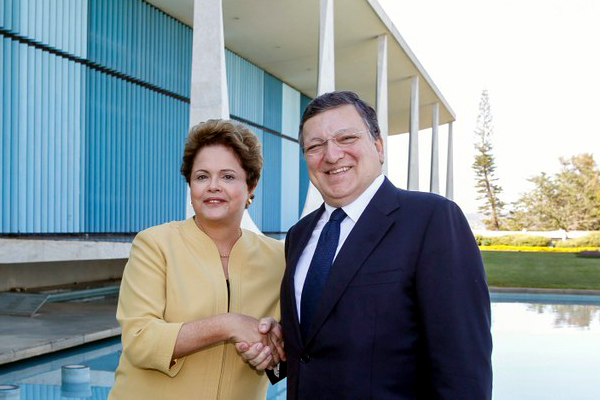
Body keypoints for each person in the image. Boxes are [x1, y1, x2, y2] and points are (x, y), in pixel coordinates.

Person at [240, 91, 492, 398]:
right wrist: (277, 344)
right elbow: (316, 341)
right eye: (315, 146)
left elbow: (462, 367)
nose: (331, 155)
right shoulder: (299, 235)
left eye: (346, 138)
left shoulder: (431, 219)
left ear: (378, 146)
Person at [109, 120, 285, 400]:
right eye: (202, 176)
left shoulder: (279, 258)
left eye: (227, 177)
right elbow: (139, 340)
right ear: (190, 185)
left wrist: (273, 351)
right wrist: (229, 324)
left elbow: (292, 346)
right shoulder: (155, 244)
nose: (213, 186)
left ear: (251, 185)